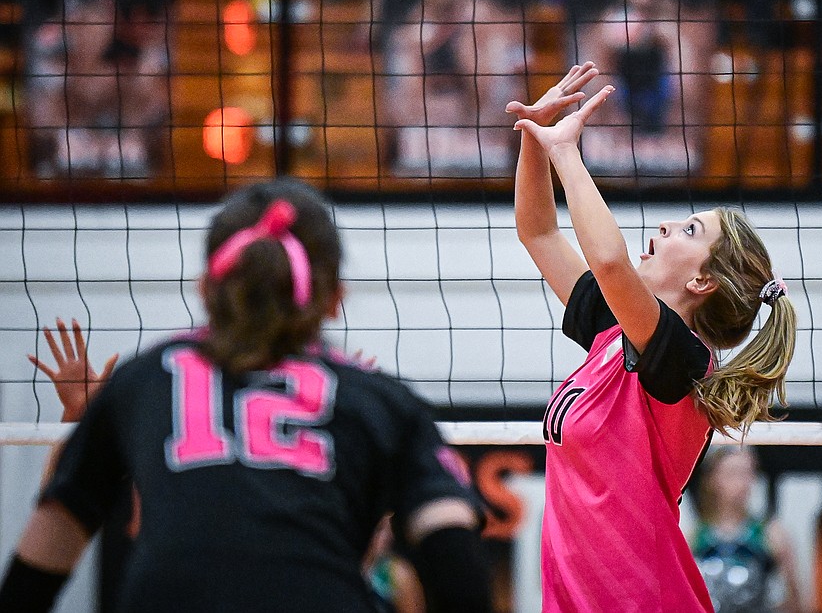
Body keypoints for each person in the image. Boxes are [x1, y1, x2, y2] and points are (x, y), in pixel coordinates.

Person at [0, 178, 493, 613]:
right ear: (335, 296)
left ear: (205, 287)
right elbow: (454, 555)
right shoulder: (381, 401)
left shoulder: (143, 381)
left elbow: (50, 540)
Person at [508, 62, 798, 612]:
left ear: (702, 280)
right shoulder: (610, 331)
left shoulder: (686, 361)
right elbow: (538, 231)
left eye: (689, 230)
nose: (665, 225)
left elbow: (611, 261)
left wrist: (568, 153)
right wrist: (537, 140)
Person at [691, 446, 806, 613]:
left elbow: (795, 601)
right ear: (712, 479)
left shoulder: (772, 534)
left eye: (747, 473)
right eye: (732, 473)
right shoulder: (694, 537)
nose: (741, 483)